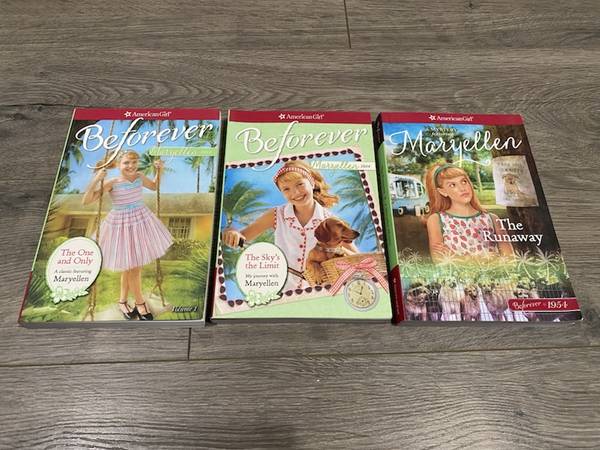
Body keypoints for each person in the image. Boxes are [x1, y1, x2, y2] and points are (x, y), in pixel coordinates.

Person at [222, 160, 357, 291]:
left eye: (300, 184)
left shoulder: (331, 222)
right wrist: (232, 233)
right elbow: (243, 236)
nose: (295, 193)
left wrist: (339, 251)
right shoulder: (277, 215)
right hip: (284, 291)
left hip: (321, 292)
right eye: (286, 189)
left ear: (312, 183)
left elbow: (358, 259)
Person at [82, 150, 173, 320]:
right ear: (118, 164)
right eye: (126, 163)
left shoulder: (139, 176)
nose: (131, 166)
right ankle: (140, 304)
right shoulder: (112, 182)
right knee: (133, 267)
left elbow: (154, 186)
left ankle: (122, 302)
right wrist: (96, 179)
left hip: (140, 221)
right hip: (121, 225)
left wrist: (159, 171)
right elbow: (86, 201)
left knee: (130, 267)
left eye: (134, 162)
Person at [425, 163, 513, 263]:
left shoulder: (492, 219)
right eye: (452, 185)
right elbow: (440, 261)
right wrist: (486, 259)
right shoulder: (436, 220)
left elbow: (510, 259)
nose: (462, 188)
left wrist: (459, 258)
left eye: (464, 181)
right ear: (442, 191)